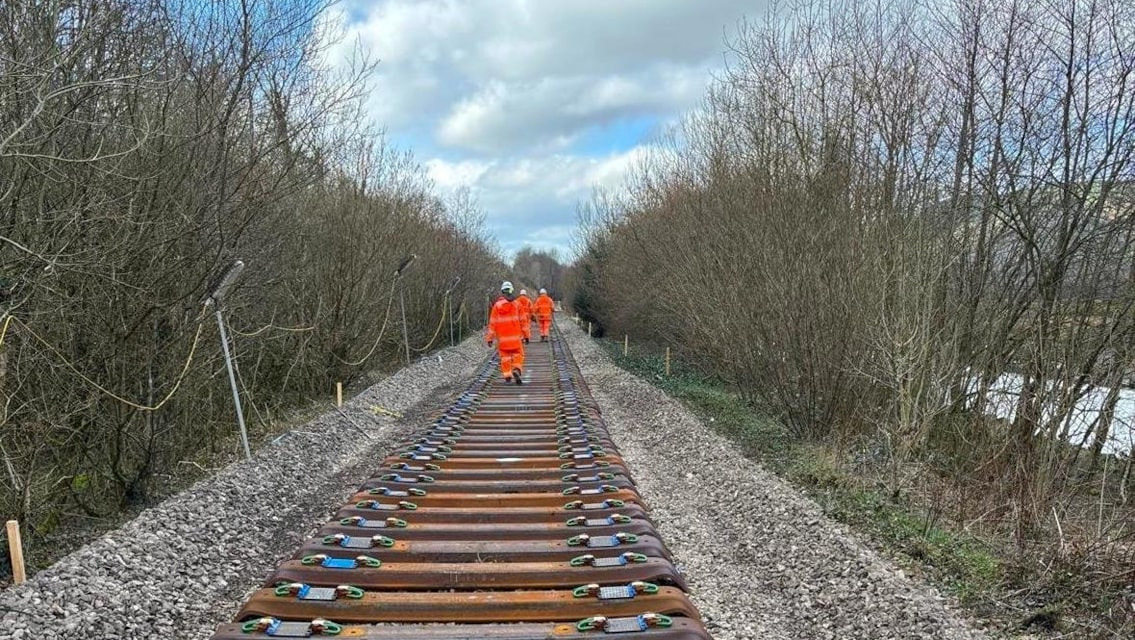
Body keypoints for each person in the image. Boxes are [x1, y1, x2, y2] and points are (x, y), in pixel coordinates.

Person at [486, 281, 525, 384]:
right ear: (511, 290)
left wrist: (489, 338)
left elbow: (492, 323)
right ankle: (516, 369)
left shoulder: (496, 306)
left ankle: (507, 376)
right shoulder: (517, 304)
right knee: (518, 354)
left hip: (503, 339)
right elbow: (523, 321)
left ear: (502, 291)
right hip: (516, 338)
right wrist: (526, 335)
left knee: (505, 357)